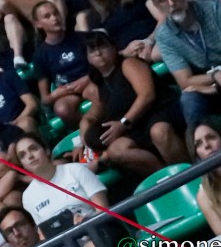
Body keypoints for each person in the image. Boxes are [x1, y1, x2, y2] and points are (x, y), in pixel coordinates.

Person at [78, 32, 184, 175]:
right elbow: (91, 116)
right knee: (116, 150)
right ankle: (166, 176)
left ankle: (189, 174)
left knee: (159, 131)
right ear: (88, 58)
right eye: (92, 50)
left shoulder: (129, 63)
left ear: (114, 48)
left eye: (102, 46)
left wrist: (123, 123)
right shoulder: (99, 85)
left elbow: (147, 95)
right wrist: (84, 139)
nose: (98, 53)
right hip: (136, 126)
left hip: (160, 111)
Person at [12, 133, 108, 237]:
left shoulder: (76, 170)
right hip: (65, 244)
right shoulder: (28, 197)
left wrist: (86, 223)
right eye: (22, 155)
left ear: (47, 150)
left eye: (33, 149)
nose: (30, 156)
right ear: (22, 164)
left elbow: (103, 211)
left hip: (97, 232)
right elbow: (43, 234)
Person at [30, 0, 87, 127]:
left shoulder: (80, 38)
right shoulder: (40, 55)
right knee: (61, 109)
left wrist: (87, 79)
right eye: (47, 16)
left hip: (91, 81)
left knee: (94, 92)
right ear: (38, 24)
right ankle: (89, 128)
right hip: (69, 92)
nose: (54, 18)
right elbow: (45, 99)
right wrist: (56, 94)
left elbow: (101, 67)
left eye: (56, 13)